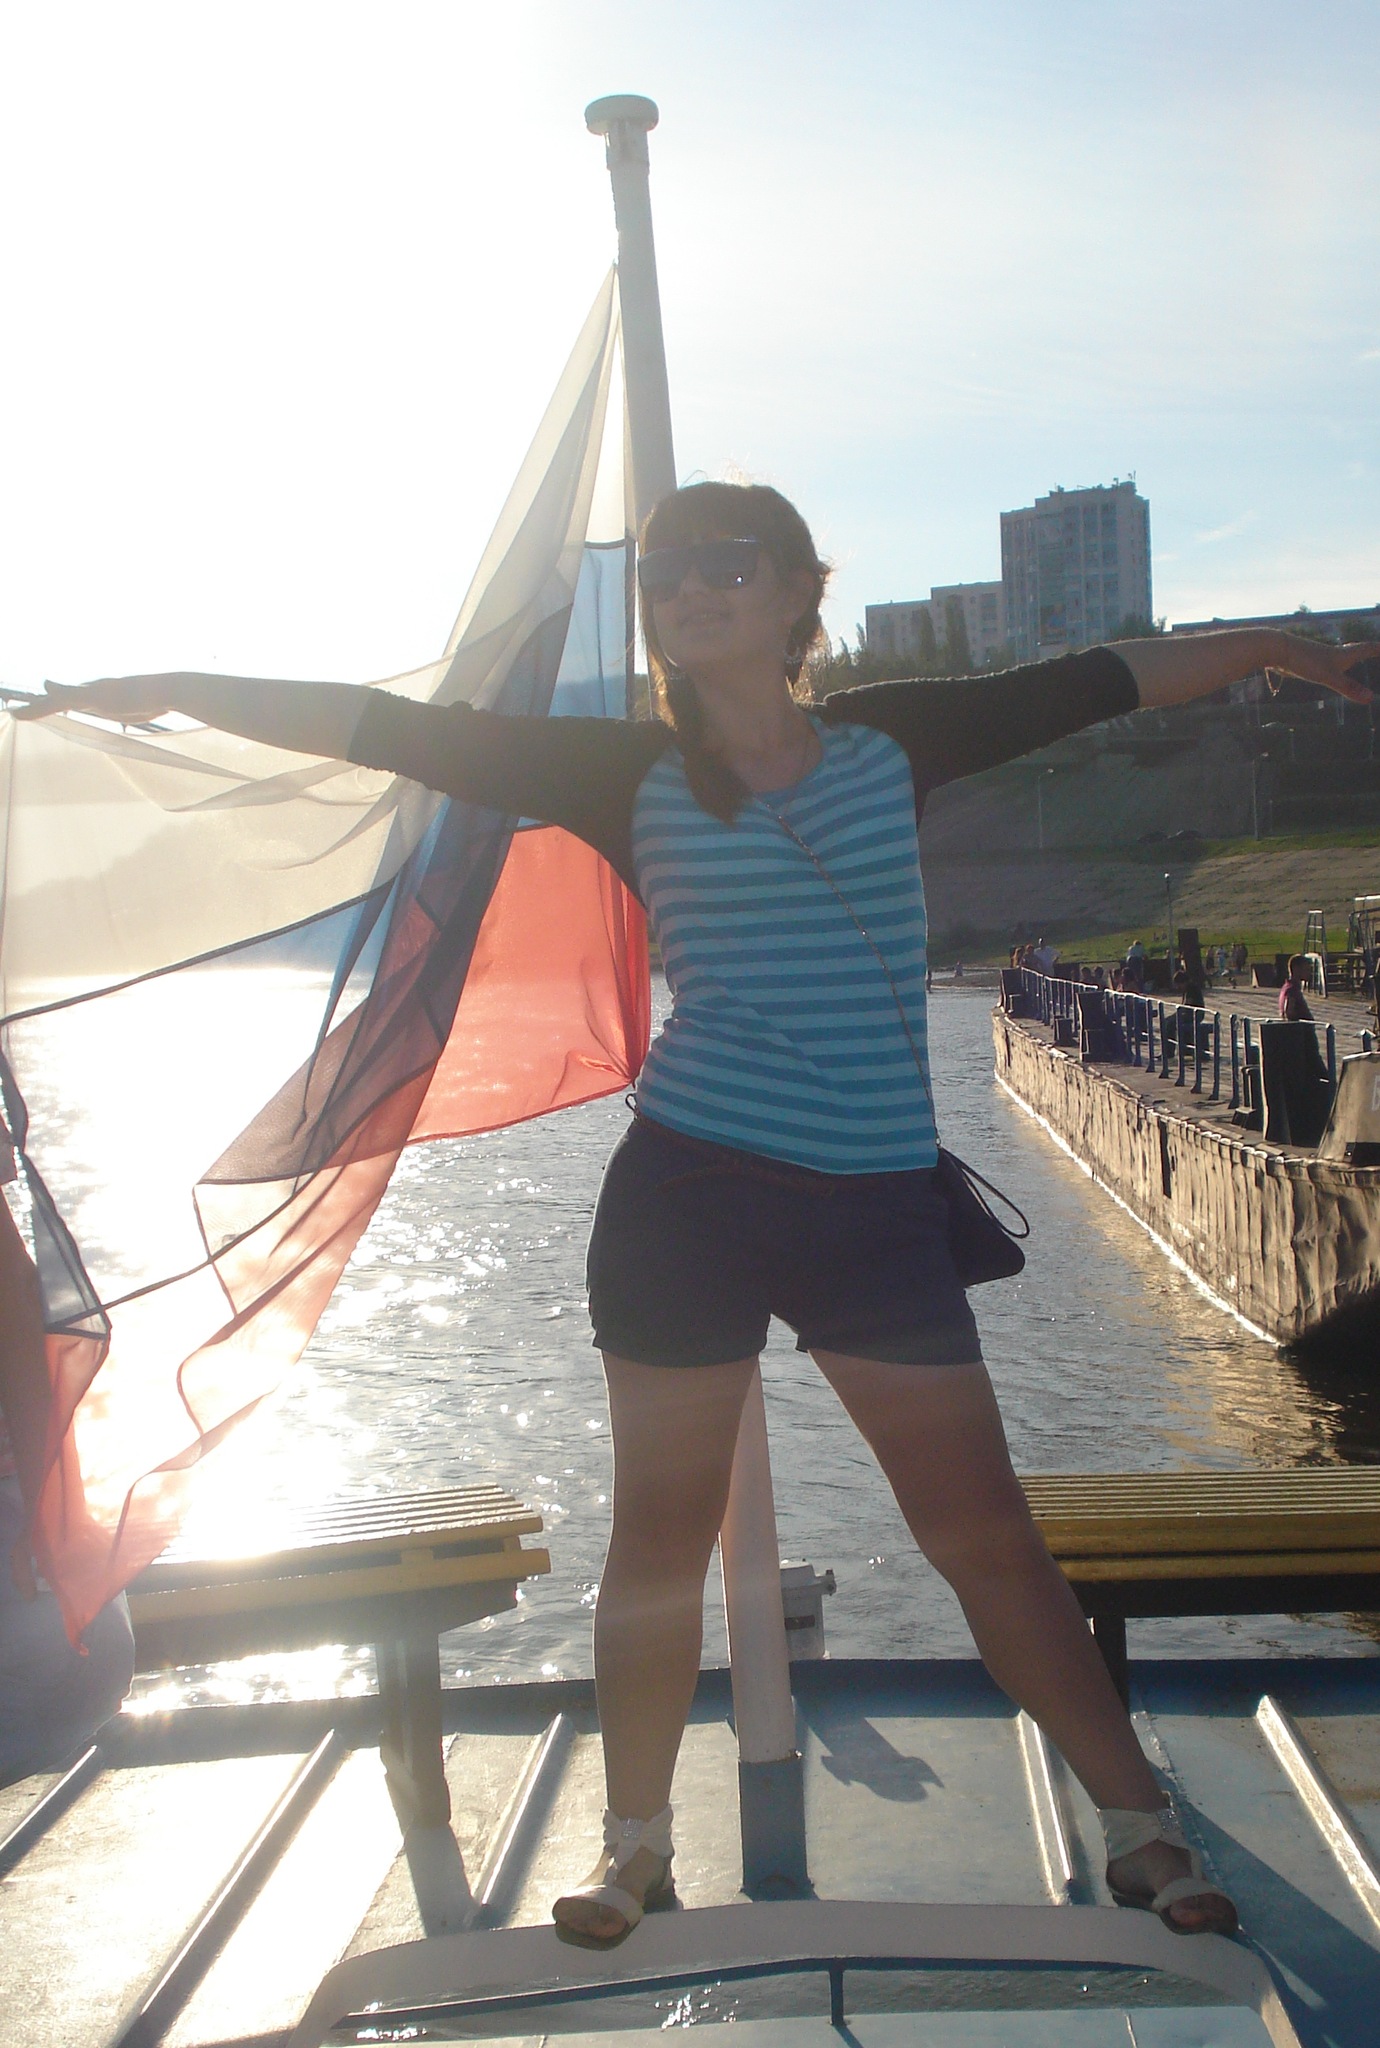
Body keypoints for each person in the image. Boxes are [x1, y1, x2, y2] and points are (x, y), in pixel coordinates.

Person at [26, 481, 1379, 1943]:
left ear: (799, 593)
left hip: (870, 1207)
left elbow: (1103, 679)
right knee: (658, 1547)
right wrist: (175, 685)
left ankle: (1137, 1827)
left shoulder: (895, 739)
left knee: (983, 1535)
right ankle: (635, 1847)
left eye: (727, 565)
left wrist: (1266, 648)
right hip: (688, 1199)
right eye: (668, 572)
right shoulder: (622, 773)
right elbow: (385, 726)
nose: (688, 588)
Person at [1279, 955, 1314, 1022]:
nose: (1309, 972)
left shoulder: (1287, 987)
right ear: (1296, 969)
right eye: (1306, 969)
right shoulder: (1292, 989)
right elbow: (1288, 1011)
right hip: (1300, 1028)